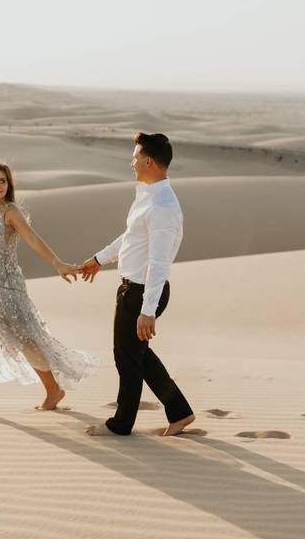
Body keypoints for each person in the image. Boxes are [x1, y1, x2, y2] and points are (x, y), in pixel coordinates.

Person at [0, 162, 98, 413]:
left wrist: (57, 263)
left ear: (9, 185)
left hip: (8, 288)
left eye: (2, 181)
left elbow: (33, 239)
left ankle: (53, 389)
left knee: (26, 340)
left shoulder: (11, 212)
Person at [78, 133, 196, 436]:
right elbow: (130, 238)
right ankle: (180, 412)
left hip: (143, 291)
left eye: (134, 158)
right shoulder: (148, 197)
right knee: (138, 354)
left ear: (148, 162)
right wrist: (98, 259)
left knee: (126, 356)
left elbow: (159, 263)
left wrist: (147, 311)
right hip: (135, 288)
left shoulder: (162, 207)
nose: (131, 163)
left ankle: (121, 424)